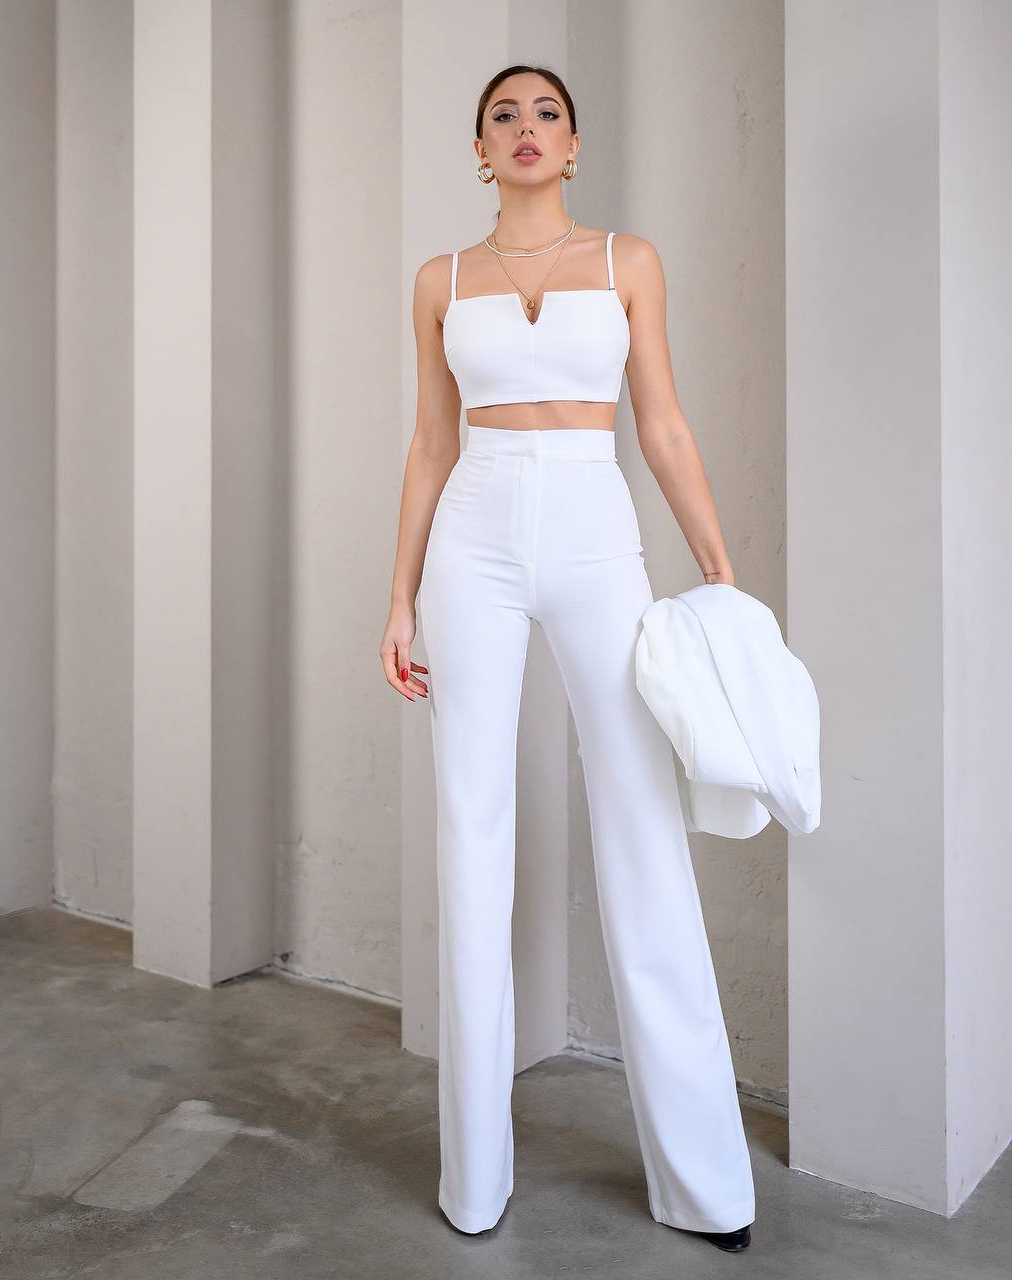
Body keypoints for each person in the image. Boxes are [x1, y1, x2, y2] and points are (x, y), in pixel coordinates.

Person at [380, 64, 756, 1254]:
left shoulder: (624, 262)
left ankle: (704, 1185)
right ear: (480, 150)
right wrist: (397, 601)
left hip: (597, 528)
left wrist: (717, 566)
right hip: (474, 536)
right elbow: (431, 444)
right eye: (503, 115)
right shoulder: (440, 280)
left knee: (641, 821)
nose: (525, 128)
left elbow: (663, 422)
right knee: (471, 826)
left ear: (575, 143)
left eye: (545, 112)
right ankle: (474, 1179)